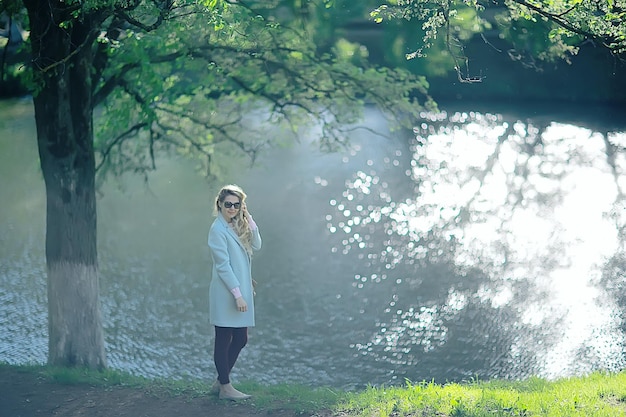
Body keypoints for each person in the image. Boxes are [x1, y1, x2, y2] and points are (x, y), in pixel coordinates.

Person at [207, 184, 262, 400]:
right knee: (224, 337)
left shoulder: (236, 225)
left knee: (241, 339)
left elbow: (256, 245)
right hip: (226, 292)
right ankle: (226, 387)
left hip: (240, 288)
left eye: (236, 205)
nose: (232, 208)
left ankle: (220, 382)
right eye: (228, 204)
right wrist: (238, 294)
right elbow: (223, 266)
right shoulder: (217, 230)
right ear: (219, 204)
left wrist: (249, 220)